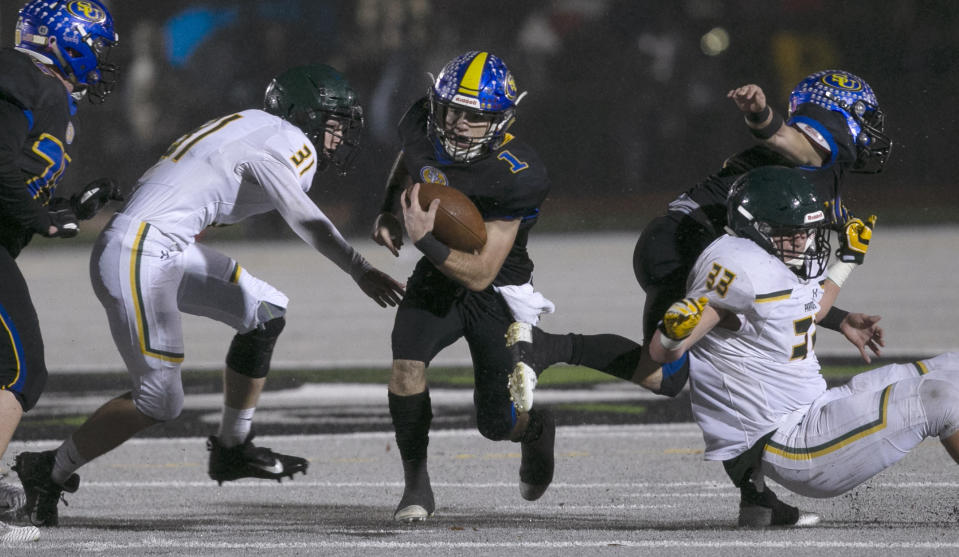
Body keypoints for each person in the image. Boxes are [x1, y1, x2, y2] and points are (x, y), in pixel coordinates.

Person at [13, 63, 405, 527]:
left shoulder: (247, 124)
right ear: (304, 116)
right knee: (160, 399)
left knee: (265, 310)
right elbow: (305, 218)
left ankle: (233, 448)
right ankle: (49, 470)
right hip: (142, 252)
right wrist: (358, 268)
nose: (337, 137)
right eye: (333, 124)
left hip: (151, 245)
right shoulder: (287, 140)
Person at [506, 69, 891, 411]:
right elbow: (780, 136)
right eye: (865, 119)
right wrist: (759, 113)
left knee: (737, 358)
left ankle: (752, 488)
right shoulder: (809, 153)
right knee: (663, 373)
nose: (874, 131)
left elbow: (791, 297)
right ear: (834, 116)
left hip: (699, 245)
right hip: (685, 244)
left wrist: (839, 318)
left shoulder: (824, 180)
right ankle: (546, 347)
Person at [648, 165, 958, 527]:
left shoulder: (773, 259)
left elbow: (807, 306)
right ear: (755, 229)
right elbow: (662, 353)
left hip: (816, 408)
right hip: (792, 441)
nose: (804, 243)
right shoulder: (739, 270)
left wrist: (847, 261)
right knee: (941, 400)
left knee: (954, 366)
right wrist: (672, 333)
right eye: (792, 234)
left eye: (808, 232)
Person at [370, 51, 554, 522]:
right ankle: (416, 487)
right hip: (437, 277)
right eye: (450, 108)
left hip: (495, 289)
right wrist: (391, 206)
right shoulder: (421, 122)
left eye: (473, 115)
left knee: (496, 423)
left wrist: (423, 240)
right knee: (405, 367)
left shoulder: (519, 172)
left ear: (500, 120)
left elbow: (482, 272)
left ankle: (536, 430)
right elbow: (411, 157)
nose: (456, 122)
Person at [0, 0, 120, 543]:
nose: (100, 61)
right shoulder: (21, 76)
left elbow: (18, 180)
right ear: (65, 40)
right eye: (96, 47)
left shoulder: (38, 84)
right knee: (19, 372)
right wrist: (41, 222)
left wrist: (69, 210)